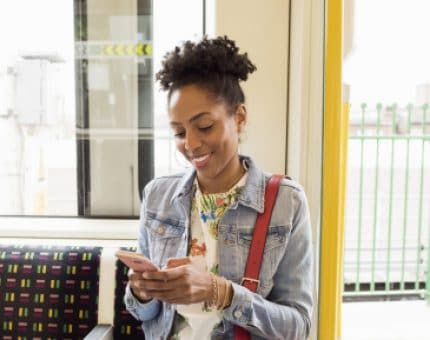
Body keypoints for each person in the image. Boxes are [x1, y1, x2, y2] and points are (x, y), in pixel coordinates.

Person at [124, 36, 313, 340]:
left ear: (239, 117)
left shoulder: (286, 203)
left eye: (205, 126)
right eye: (179, 132)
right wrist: (141, 292)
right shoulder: (157, 197)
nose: (191, 144)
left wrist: (222, 293)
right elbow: (143, 313)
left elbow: (298, 327)